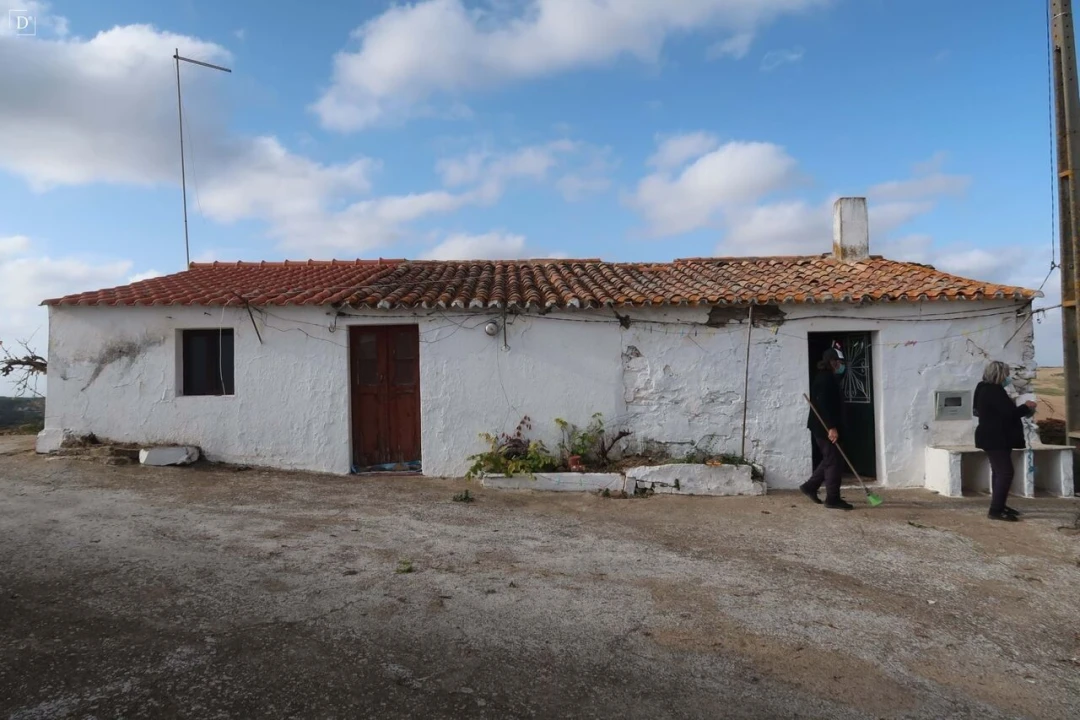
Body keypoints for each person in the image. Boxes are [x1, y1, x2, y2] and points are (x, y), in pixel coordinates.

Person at [973, 361, 1036, 522]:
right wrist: (1026, 407)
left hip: (993, 436)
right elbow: (1009, 414)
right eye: (1006, 374)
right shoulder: (994, 391)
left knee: (998, 472)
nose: (1008, 377)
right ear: (1000, 374)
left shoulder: (982, 388)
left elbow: (980, 411)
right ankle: (995, 510)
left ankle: (999, 505)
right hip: (996, 438)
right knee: (1006, 472)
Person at [801, 346, 853, 510]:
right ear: (831, 362)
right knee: (833, 463)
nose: (840, 365)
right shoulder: (825, 379)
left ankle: (810, 486)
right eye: (838, 362)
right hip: (824, 427)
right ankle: (832, 498)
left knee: (831, 459)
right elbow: (823, 406)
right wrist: (831, 428)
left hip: (827, 426)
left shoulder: (830, 377)